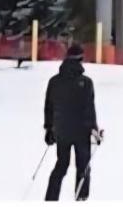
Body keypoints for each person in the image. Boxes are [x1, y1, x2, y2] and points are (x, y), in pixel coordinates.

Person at [44, 45, 100, 201]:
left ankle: (51, 198)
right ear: (80, 59)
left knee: (62, 164)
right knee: (83, 165)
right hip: (82, 131)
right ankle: (81, 197)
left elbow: (49, 107)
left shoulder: (54, 81)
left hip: (62, 130)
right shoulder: (86, 82)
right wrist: (94, 129)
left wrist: (49, 129)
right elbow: (89, 108)